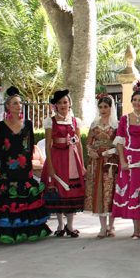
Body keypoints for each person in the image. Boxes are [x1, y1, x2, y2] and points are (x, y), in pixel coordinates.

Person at [0, 87, 51, 243]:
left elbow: (30, 146)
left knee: (26, 197)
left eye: (20, 103)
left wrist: (27, 162)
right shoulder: (1, 126)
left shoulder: (28, 124)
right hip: (8, 168)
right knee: (10, 199)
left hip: (24, 168)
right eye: (15, 103)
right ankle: (10, 232)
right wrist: (6, 163)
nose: (18, 106)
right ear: (8, 107)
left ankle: (27, 230)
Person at [41, 89, 86, 238]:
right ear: (56, 105)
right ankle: (60, 225)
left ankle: (70, 225)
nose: (63, 105)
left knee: (72, 191)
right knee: (58, 191)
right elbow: (48, 145)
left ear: (69, 104)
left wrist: (82, 164)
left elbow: (79, 144)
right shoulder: (51, 121)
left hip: (72, 160)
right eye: (60, 102)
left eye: (65, 102)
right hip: (57, 158)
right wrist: (51, 167)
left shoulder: (75, 121)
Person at [112, 81, 140, 240]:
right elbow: (120, 141)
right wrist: (122, 161)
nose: (137, 103)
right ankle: (136, 229)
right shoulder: (124, 119)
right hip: (129, 159)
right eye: (135, 100)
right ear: (131, 101)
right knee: (132, 193)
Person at [84, 94, 120, 238]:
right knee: (99, 191)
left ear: (111, 108)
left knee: (111, 192)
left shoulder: (117, 125)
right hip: (97, 162)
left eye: (106, 107)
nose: (103, 109)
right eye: (100, 107)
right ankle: (102, 227)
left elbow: (119, 144)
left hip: (111, 162)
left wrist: (109, 152)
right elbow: (88, 142)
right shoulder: (94, 124)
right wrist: (90, 152)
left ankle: (111, 226)